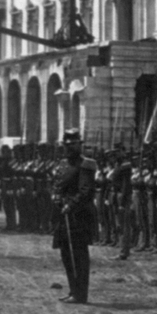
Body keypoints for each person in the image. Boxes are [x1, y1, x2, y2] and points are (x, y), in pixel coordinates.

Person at [52, 129, 97, 304]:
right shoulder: (63, 164)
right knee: (66, 255)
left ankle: (81, 294)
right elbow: (57, 185)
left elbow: (86, 191)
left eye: (73, 144)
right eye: (67, 144)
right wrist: (54, 196)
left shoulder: (86, 164)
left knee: (79, 256)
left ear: (80, 144)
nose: (69, 147)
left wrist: (70, 205)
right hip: (62, 217)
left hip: (78, 217)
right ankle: (73, 290)